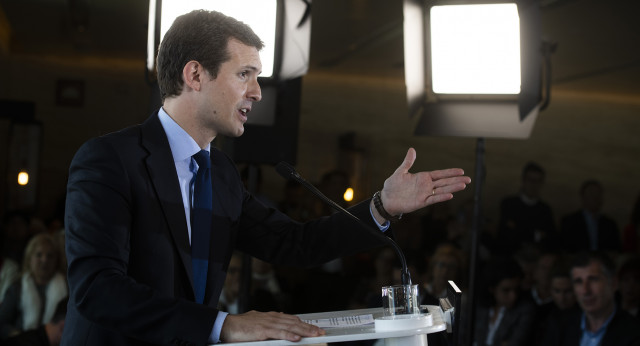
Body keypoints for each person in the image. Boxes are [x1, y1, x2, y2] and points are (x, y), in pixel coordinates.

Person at [62, 10, 471, 346]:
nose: (257, 92)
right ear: (195, 75)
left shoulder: (220, 173)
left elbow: (296, 244)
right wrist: (225, 325)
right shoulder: (109, 160)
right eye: (245, 74)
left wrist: (382, 205)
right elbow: (97, 289)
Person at [542, 251, 640, 345]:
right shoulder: (559, 326)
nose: (585, 291)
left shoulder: (634, 332)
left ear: (613, 284)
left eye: (593, 279)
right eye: (578, 282)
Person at [0, 233, 67, 340]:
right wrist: (19, 336)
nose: (44, 260)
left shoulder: (66, 287)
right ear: (29, 258)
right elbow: (2, 322)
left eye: (50, 256)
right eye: (39, 255)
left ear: (57, 260)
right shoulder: (17, 287)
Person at [496, 162, 557, 255]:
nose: (533, 184)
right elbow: (506, 236)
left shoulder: (545, 210)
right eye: (530, 180)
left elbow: (551, 239)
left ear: (541, 183)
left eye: (537, 181)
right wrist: (537, 235)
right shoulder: (509, 204)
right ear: (523, 180)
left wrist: (519, 229)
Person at [473, 256, 536, 346]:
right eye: (506, 290)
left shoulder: (525, 310)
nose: (513, 296)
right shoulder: (477, 306)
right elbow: (463, 338)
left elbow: (515, 342)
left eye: (516, 289)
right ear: (492, 289)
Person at [560, 180, 621, 253]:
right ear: (583, 197)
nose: (595, 198)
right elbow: (565, 248)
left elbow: (616, 250)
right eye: (591, 194)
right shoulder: (569, 222)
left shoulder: (610, 224)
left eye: (598, 195)